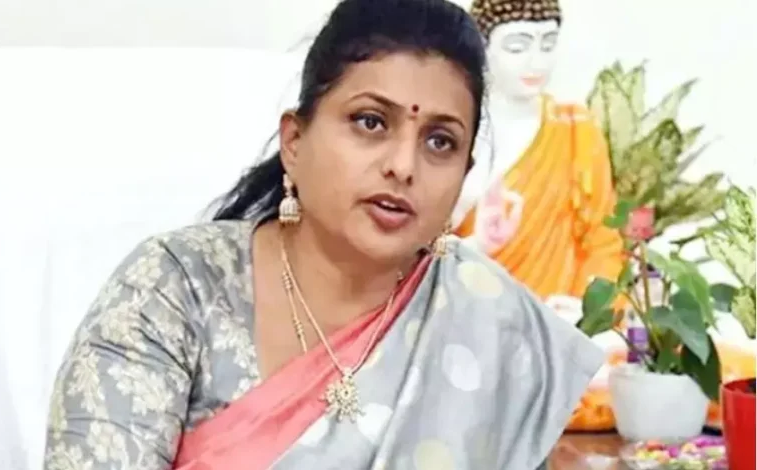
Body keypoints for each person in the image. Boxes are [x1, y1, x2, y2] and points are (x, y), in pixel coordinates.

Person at [43, 0, 604, 468]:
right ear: (294, 141)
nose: (403, 165)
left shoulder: (492, 325)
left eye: (440, 142)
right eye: (370, 122)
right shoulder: (177, 288)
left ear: (464, 173)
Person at [456, 0, 625, 432]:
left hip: (561, 323)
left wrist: (590, 309)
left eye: (547, 44)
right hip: (476, 324)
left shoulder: (575, 127)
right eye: (517, 47)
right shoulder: (459, 129)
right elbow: (425, 251)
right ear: (482, 48)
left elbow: (602, 240)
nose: (537, 62)